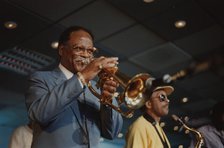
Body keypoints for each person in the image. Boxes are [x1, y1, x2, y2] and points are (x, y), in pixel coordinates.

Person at [25, 26, 123, 148]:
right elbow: (39, 114)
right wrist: (82, 77)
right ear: (61, 50)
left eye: (90, 51)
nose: (86, 55)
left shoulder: (97, 88)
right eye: (79, 49)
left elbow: (112, 133)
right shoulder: (41, 78)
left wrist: (107, 102)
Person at [125, 81, 174, 148]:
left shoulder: (157, 126)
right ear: (149, 104)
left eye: (167, 98)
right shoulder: (140, 127)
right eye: (162, 97)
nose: (167, 101)